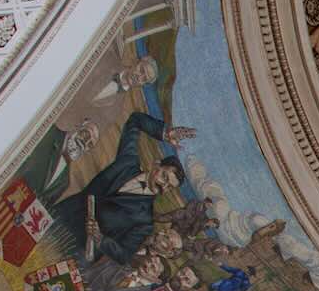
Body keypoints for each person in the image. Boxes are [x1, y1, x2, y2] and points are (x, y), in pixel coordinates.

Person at [49, 112, 195, 266]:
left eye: (169, 187)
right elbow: (135, 120)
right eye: (164, 178)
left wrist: (99, 237)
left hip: (76, 251)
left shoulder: (145, 221)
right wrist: (164, 132)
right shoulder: (128, 160)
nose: (163, 186)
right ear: (156, 165)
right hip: (63, 215)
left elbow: (124, 255)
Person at [17, 119, 101, 203]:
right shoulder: (49, 132)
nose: (84, 142)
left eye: (90, 144)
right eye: (86, 134)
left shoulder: (65, 182)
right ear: (77, 127)